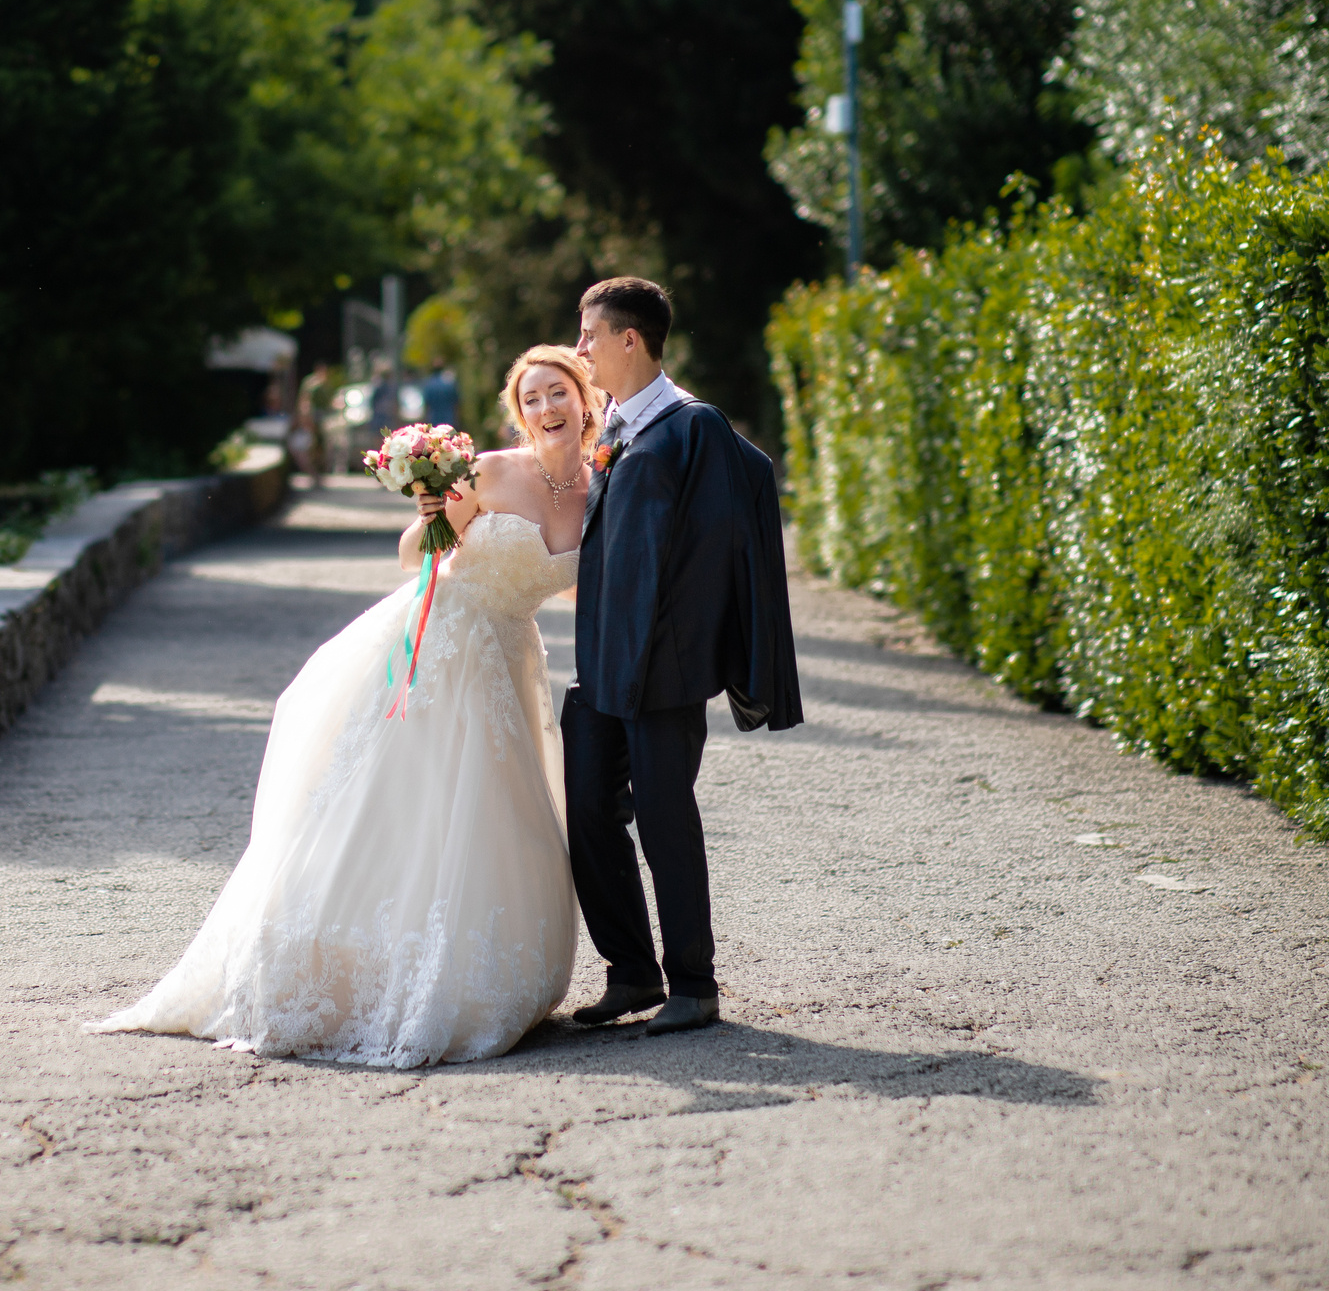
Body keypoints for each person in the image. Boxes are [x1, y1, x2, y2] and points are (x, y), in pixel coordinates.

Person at [91, 346, 601, 1066]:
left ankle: (473, 975)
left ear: (585, 400)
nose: (547, 409)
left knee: (489, 812)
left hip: (510, 656)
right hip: (439, 643)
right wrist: (429, 511)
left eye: (559, 394)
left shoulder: (600, 486)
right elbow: (413, 555)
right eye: (533, 398)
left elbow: (583, 586)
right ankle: (341, 973)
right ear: (520, 413)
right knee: (394, 802)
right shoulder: (489, 470)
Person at [564, 277, 802, 1036]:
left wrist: (697, 654)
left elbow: (721, 541)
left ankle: (693, 984)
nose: (581, 349)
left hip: (662, 672)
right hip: (602, 663)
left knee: (667, 818)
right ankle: (630, 970)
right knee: (590, 812)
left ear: (629, 340)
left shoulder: (690, 425)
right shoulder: (613, 426)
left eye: (589, 334)